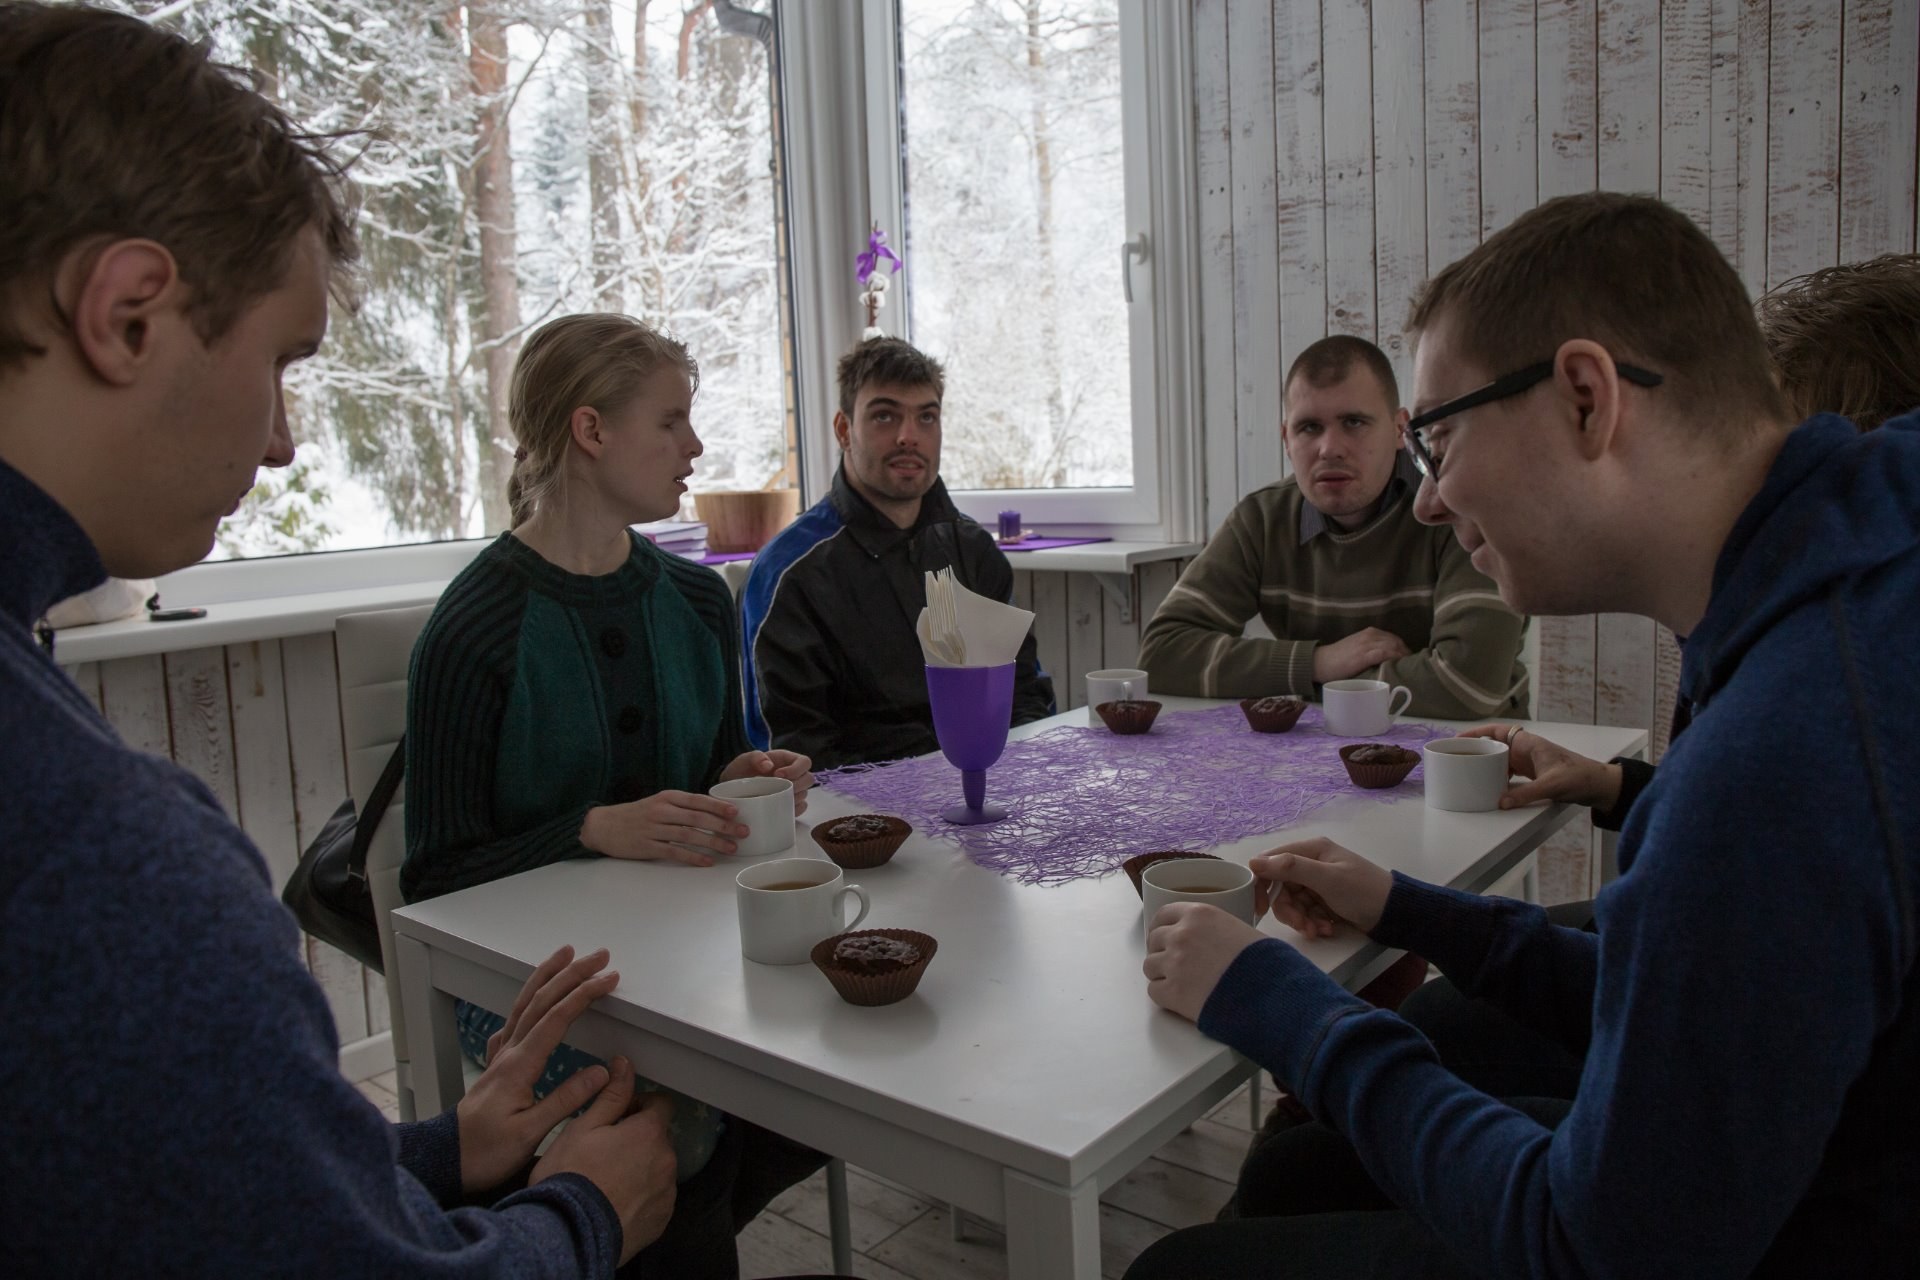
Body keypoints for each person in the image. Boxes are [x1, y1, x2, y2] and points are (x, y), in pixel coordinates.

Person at [0, 5, 679, 1274]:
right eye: (281, 360)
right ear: (128, 312)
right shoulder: (104, 861)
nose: (283, 440)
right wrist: (583, 1216)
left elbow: (209, 1186)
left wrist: (432, 1150)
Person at [1132, 192, 1920, 1277]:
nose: (1426, 500)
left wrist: (1287, 1008)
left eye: (1437, 439)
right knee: (1300, 1169)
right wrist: (1405, 905)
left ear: (1587, 399)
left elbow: (1590, 1250)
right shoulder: (1848, 566)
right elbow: (1674, 985)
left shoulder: (1778, 753)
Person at [404, 313, 827, 1277]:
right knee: (669, 1116)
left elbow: (712, 772)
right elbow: (433, 877)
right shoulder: (475, 629)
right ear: (591, 431)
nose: (695, 446)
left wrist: (740, 783)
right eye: (671, 421)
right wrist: (591, 828)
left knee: (834, 1043)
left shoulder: (696, 601)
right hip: (530, 989)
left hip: (689, 953)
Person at [1137, 334, 1528, 719]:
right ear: (1286, 439)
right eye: (1309, 427)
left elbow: (1466, 686)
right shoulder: (1263, 520)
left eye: (1354, 422)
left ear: (1399, 430)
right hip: (1315, 750)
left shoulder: (1453, 508)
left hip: (1468, 751)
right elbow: (1161, 654)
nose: (1330, 449)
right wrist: (1319, 662)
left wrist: (1309, 683)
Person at [741, 336, 1054, 768]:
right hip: (857, 805)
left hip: (991, 788)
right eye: (885, 416)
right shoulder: (790, 574)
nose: (909, 437)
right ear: (844, 430)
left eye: (926, 417)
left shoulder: (974, 552)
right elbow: (796, 753)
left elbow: (1025, 697)